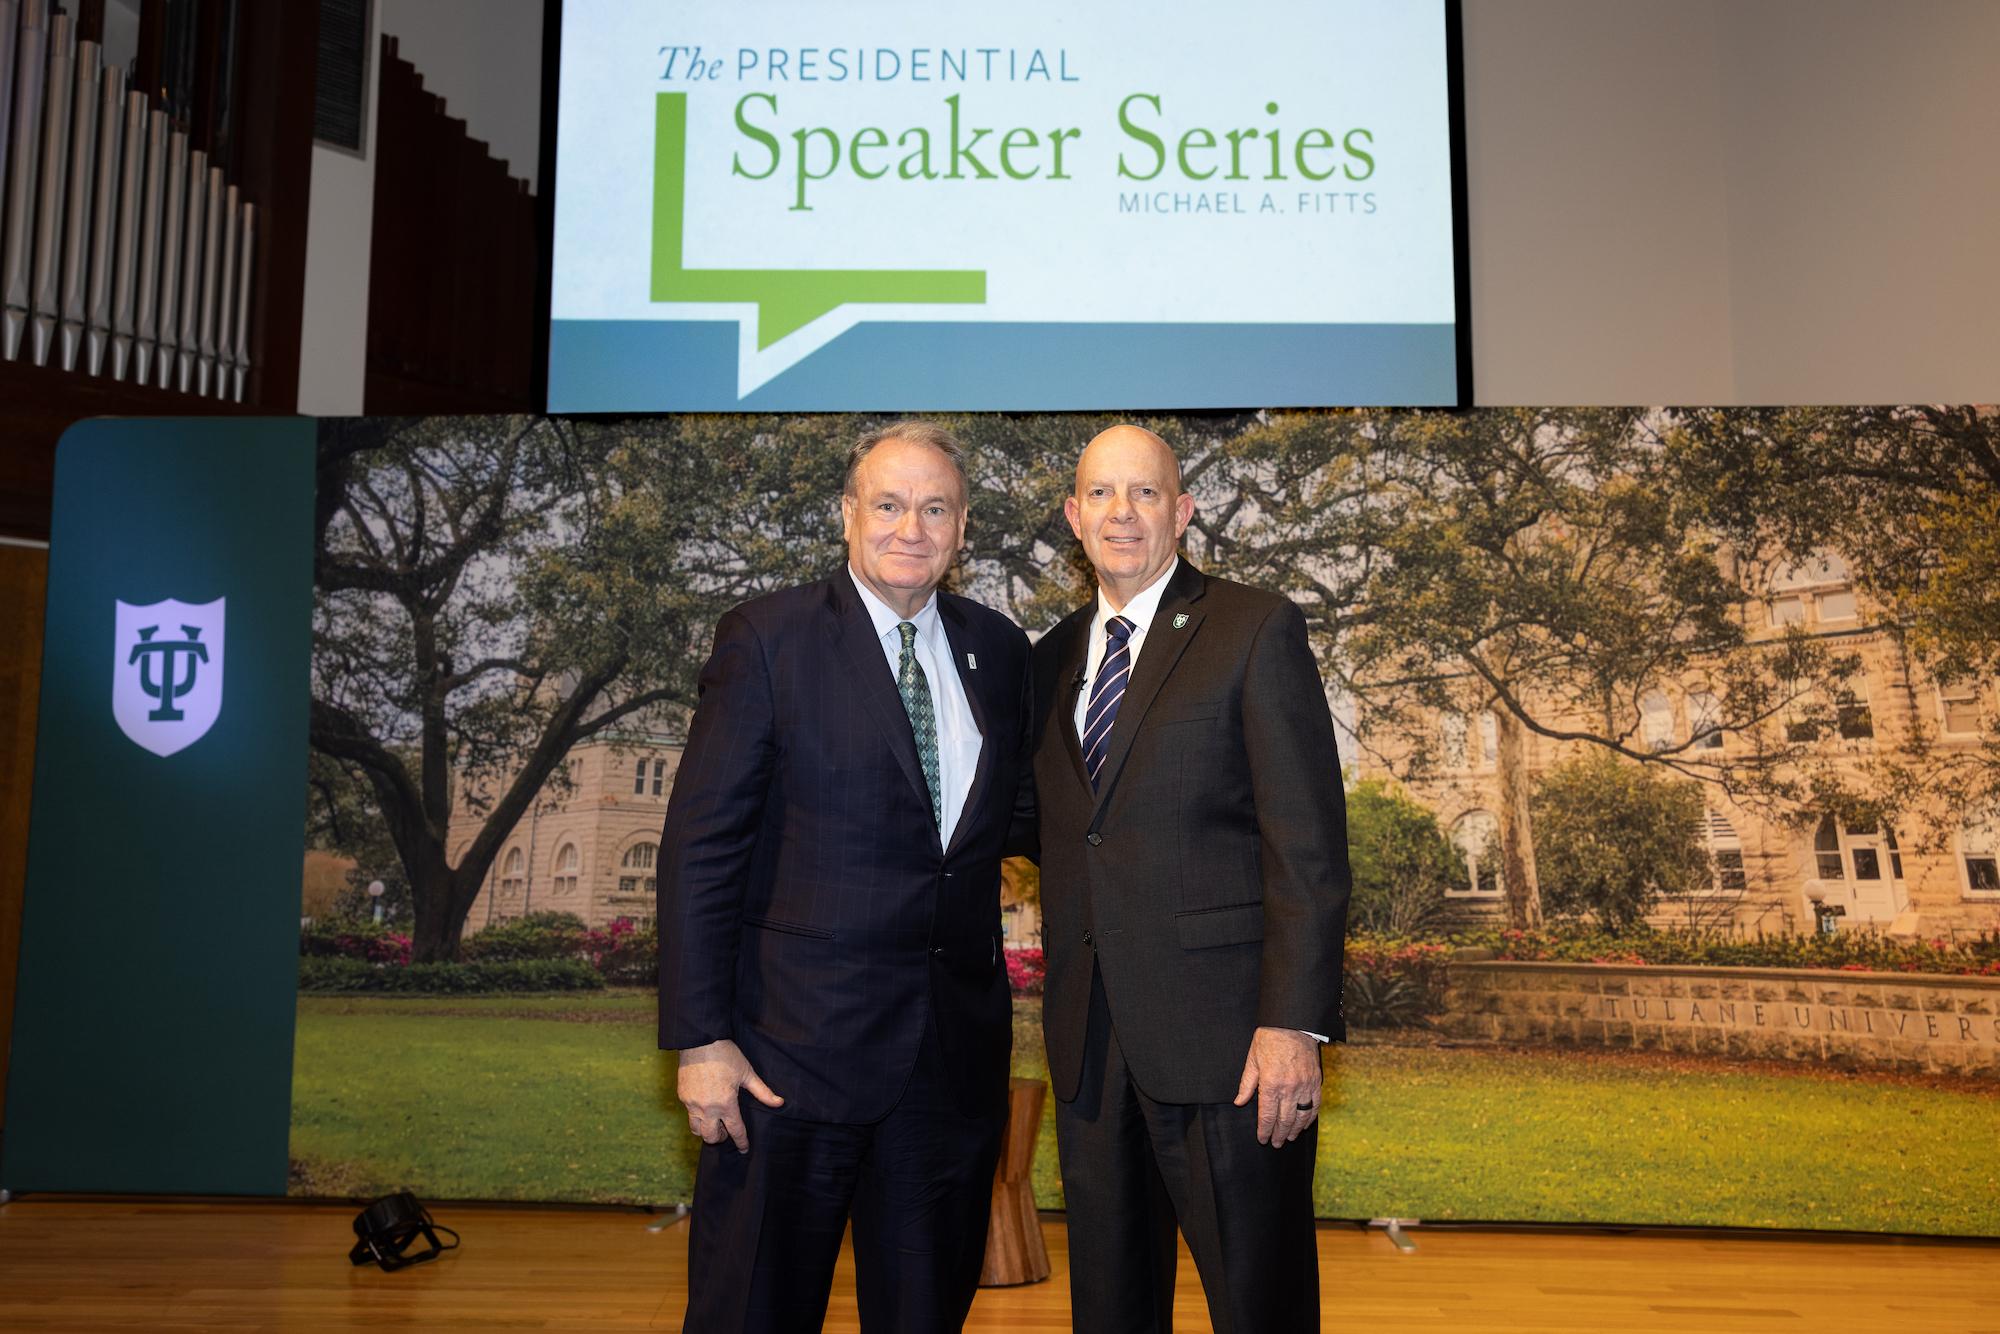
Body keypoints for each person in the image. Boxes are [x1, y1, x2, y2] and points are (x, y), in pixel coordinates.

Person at [658, 421, 1032, 1333]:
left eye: (935, 508)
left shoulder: (1001, 649)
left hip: (948, 1073)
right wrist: (702, 1043)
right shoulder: (768, 639)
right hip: (786, 1064)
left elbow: (1022, 824)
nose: (912, 527)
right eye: (891, 504)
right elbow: (701, 848)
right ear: (848, 516)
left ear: (962, 526)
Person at [1028, 423, 1351, 1334]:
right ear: (1073, 516)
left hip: (1231, 1051)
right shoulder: (1048, 661)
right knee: (1111, 1307)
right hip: (1092, 1046)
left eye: (1145, 492)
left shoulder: (1254, 627)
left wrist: (1292, 1025)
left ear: (1184, 508)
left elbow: (1309, 849)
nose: (1122, 513)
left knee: (1260, 1305)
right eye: (1101, 494)